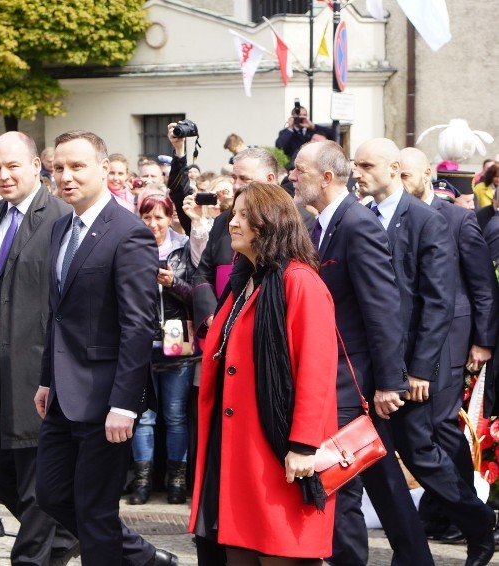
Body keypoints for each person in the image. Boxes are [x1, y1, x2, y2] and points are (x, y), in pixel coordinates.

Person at [34, 129, 178, 566]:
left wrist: (126, 404)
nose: (66, 176)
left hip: (105, 398)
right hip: (62, 394)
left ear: (103, 169)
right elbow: (59, 315)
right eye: (59, 168)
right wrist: (45, 380)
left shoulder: (128, 232)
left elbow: (138, 326)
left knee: (95, 514)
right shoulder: (62, 227)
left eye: (77, 166)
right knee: (52, 494)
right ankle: (144, 558)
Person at [353, 138, 496, 566]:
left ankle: (476, 522)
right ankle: (411, 554)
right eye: (355, 165)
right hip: (371, 364)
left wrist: (418, 371)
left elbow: (437, 301)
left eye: (366, 164)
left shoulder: (427, 219)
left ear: (394, 168)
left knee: (421, 454)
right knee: (380, 462)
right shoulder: (360, 218)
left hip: (414, 366)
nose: (357, 172)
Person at [290, 140, 434, 565]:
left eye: (300, 170)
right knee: (384, 481)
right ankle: (416, 558)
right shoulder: (319, 226)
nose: (293, 177)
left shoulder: (356, 225)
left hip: (352, 380)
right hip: (338, 377)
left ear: (326, 178)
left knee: (343, 487)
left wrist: (390, 382)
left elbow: (383, 310)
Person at [189, 181, 338, 565]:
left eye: (242, 215)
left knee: (281, 554)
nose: (232, 223)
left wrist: (304, 444)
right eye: (233, 214)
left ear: (268, 222)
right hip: (240, 450)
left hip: (279, 450)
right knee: (240, 554)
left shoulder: (300, 281)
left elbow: (317, 369)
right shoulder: (245, 280)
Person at [0, 131, 78, 565]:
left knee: (34, 477)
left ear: (35, 166)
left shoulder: (61, 218)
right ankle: (63, 531)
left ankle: (33, 555)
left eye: (12, 166)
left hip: (35, 371)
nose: (3, 176)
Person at [400, 147, 498, 542]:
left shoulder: (458, 218)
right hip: (413, 341)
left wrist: (483, 341)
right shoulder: (391, 218)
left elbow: (482, 285)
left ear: (427, 173)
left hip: (454, 339)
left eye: (407, 175)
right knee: (423, 431)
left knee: (442, 426)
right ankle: (443, 510)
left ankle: (463, 513)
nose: (403, 182)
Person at [128, 193, 194, 506]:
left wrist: (173, 285)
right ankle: (142, 481)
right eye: (147, 217)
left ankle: (176, 481)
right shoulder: (129, 245)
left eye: (159, 217)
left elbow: (198, 294)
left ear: (170, 218)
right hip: (140, 341)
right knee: (143, 417)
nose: (154, 224)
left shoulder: (185, 247)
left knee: (175, 415)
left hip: (176, 338)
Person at [191, 148, 279, 334]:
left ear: (270, 179)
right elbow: (203, 274)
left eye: (245, 179)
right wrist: (211, 317)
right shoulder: (224, 220)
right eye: (235, 178)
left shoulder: (295, 220)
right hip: (222, 326)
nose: (237, 185)